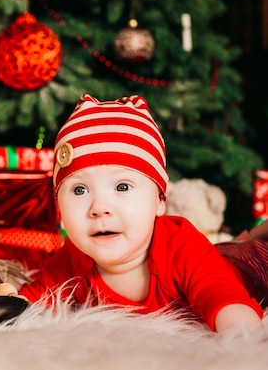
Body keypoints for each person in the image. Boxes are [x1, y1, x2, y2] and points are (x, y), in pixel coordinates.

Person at [18, 94, 265, 332]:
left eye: (122, 187)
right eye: (79, 189)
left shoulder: (180, 245)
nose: (99, 208)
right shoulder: (74, 256)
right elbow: (37, 297)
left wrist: (238, 327)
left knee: (253, 247)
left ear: (159, 200)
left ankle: (256, 234)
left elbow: (218, 291)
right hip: (221, 253)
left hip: (247, 263)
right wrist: (3, 301)